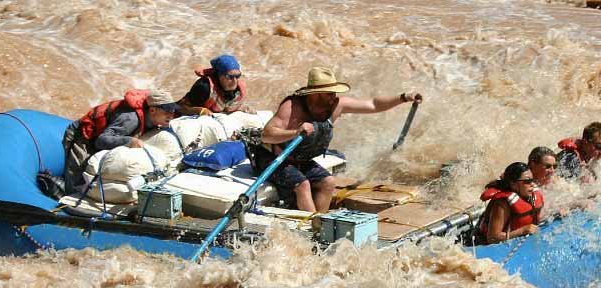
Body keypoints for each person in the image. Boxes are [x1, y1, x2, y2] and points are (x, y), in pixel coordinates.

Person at [254, 67, 422, 212]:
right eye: (329, 93)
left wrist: (404, 97)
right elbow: (266, 134)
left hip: (301, 160)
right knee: (302, 185)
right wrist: (295, 132)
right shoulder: (292, 107)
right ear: (315, 94)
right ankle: (312, 229)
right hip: (274, 159)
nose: (333, 96)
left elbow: (373, 104)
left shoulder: (336, 105)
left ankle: (319, 222)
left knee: (328, 182)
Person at [62, 89, 179, 193]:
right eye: (167, 112)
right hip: (82, 134)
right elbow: (101, 141)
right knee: (76, 177)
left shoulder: (154, 119)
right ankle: (67, 199)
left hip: (101, 134)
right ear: (152, 110)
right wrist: (129, 141)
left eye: (172, 111)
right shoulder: (130, 119)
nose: (171, 115)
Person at [475, 162, 543, 245]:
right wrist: (522, 231)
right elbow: (492, 238)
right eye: (527, 181)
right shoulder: (502, 204)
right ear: (513, 184)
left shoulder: (529, 195)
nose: (532, 184)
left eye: (532, 180)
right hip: (484, 244)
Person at [177, 54, 253, 115]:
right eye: (229, 76)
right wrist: (199, 111)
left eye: (237, 76)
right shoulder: (204, 87)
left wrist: (242, 109)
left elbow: (228, 109)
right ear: (219, 75)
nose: (234, 81)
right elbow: (181, 108)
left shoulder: (238, 90)